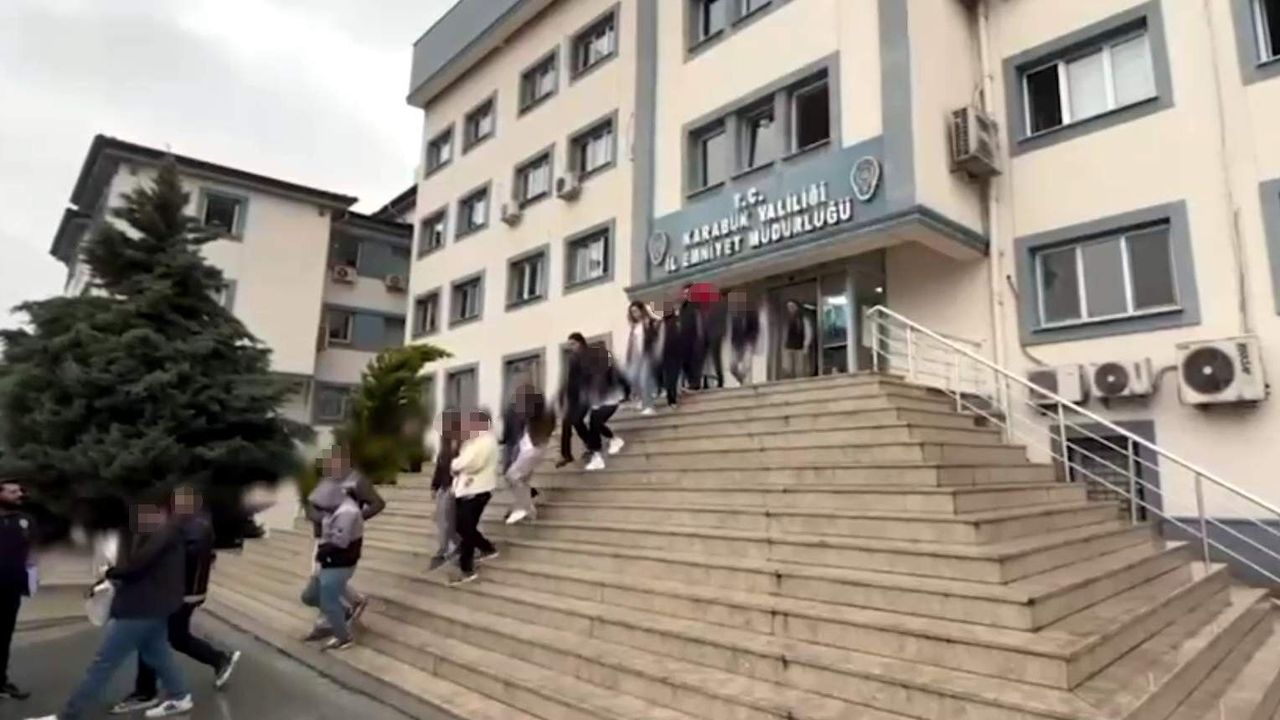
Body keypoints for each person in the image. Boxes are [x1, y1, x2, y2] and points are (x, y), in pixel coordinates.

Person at [33, 491, 193, 720]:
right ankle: (180, 696)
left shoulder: (161, 531)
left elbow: (137, 565)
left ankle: (68, 715)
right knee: (157, 654)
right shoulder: (145, 530)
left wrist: (111, 572)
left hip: (142, 608)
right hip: (149, 606)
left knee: (103, 664)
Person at [109, 486, 240, 715]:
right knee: (175, 637)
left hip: (181, 594)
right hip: (182, 593)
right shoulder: (192, 524)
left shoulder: (191, 528)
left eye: (180, 502)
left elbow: (169, 559)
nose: (175, 506)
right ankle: (218, 659)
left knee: (151, 637)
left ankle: (147, 692)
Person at [301, 445, 384, 642]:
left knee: (321, 580)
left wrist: (355, 519)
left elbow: (378, 503)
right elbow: (310, 505)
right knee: (320, 579)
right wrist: (315, 515)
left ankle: (327, 623)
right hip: (322, 537)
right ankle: (352, 604)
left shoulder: (357, 481)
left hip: (340, 541)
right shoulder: (326, 481)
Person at [300, 482, 364, 652]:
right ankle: (343, 613)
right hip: (327, 560)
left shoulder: (348, 512)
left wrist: (322, 552)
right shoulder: (334, 509)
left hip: (340, 562)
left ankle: (344, 638)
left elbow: (340, 543)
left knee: (329, 601)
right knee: (309, 596)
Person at [449, 409, 500, 585]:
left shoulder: (484, 441)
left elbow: (472, 463)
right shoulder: (476, 440)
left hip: (477, 490)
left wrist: (455, 464)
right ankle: (486, 548)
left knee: (465, 529)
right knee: (463, 527)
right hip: (469, 489)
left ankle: (467, 568)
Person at [0, 479, 33, 702]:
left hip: (11, 589)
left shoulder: (25, 520)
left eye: (19, 491)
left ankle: (1, 682)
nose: (19, 494)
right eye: (12, 491)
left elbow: (29, 551)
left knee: (4, 638)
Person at [501, 384, 553, 524]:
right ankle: (527, 507)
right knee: (521, 479)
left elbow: (516, 430)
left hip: (529, 452)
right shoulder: (544, 414)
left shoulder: (528, 413)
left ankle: (526, 507)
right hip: (537, 450)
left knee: (512, 476)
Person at [428, 408, 464, 572]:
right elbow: (440, 465)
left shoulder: (462, 443)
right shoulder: (445, 443)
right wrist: (434, 486)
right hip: (444, 486)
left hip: (455, 487)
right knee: (442, 520)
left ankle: (448, 549)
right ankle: (448, 548)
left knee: (447, 521)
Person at [581, 345, 627, 471]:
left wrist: (625, 395)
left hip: (609, 402)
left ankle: (597, 456)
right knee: (596, 423)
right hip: (602, 403)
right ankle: (614, 440)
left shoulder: (607, 370)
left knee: (594, 422)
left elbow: (620, 382)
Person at [557, 333, 591, 468]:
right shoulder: (573, 358)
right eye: (570, 345)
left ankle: (591, 444)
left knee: (577, 421)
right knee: (566, 422)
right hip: (574, 397)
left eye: (573, 344)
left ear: (581, 343)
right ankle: (566, 454)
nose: (571, 347)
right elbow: (571, 380)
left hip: (586, 396)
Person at [624, 301, 660, 415]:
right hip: (636, 356)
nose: (634, 314)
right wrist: (629, 356)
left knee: (645, 378)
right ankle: (641, 398)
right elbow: (632, 343)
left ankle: (649, 406)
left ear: (641, 310)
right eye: (632, 312)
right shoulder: (634, 327)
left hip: (647, 354)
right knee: (633, 377)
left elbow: (655, 337)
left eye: (636, 311)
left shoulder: (649, 322)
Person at [729, 290, 760, 385]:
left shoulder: (752, 313)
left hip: (748, 341)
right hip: (737, 343)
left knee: (747, 364)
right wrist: (732, 343)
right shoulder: (735, 316)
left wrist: (752, 340)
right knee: (732, 366)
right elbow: (733, 330)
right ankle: (741, 379)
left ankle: (746, 382)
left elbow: (755, 328)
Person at [678, 285, 704, 391]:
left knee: (695, 362)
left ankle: (695, 384)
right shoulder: (682, 308)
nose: (686, 295)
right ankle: (691, 383)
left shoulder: (697, 306)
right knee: (685, 362)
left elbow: (699, 321)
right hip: (684, 339)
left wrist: (700, 337)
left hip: (695, 338)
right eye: (684, 293)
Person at [781, 299, 814, 379]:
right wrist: (783, 346)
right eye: (789, 307)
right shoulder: (786, 320)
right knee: (787, 368)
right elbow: (784, 334)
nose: (790, 309)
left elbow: (808, 333)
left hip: (799, 347)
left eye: (792, 306)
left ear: (797, 307)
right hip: (788, 347)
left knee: (800, 369)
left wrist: (806, 345)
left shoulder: (803, 319)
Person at [657, 300, 682, 408]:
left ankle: (672, 398)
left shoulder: (676, 321)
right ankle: (671, 399)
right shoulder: (662, 323)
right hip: (666, 355)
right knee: (670, 378)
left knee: (672, 378)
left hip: (674, 354)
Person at [702, 292, 728, 389]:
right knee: (714, 359)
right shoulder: (719, 306)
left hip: (712, 335)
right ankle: (716, 379)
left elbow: (708, 321)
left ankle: (712, 380)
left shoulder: (716, 306)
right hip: (714, 335)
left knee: (711, 359)